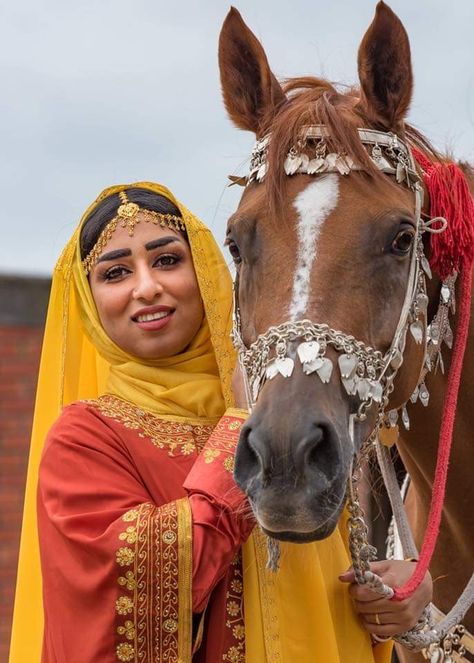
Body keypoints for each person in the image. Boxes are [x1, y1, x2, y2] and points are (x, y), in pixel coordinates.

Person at [9, 182, 431, 663]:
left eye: (167, 260)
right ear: (90, 301)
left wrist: (392, 599)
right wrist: (236, 427)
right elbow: (123, 593)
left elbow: (322, 587)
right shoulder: (85, 436)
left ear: (208, 272)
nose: (147, 287)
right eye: (116, 272)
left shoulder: (287, 410)